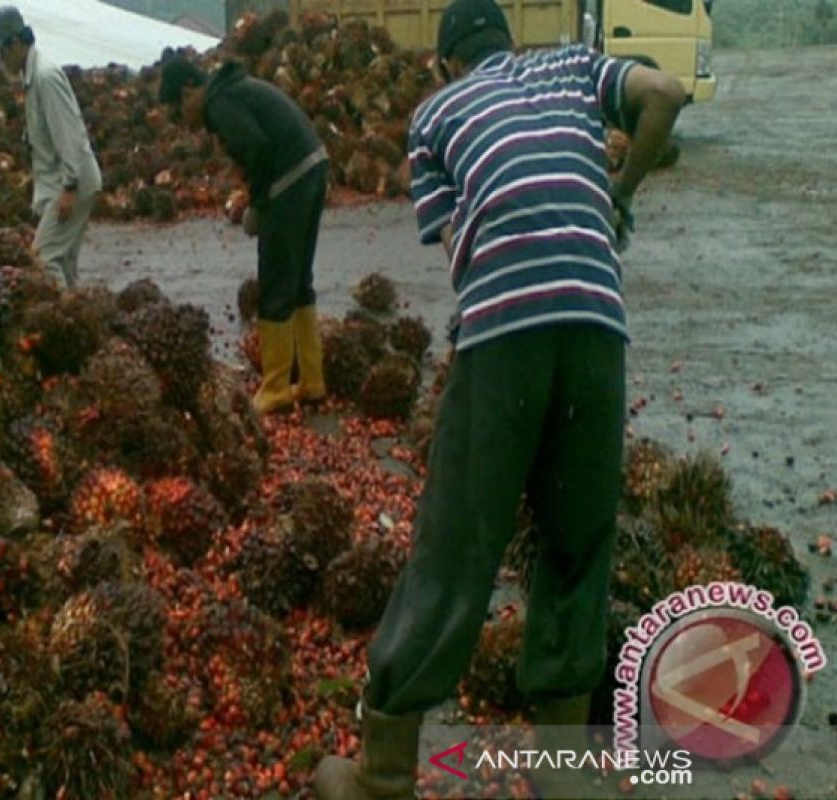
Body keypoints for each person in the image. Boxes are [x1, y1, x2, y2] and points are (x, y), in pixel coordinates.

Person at [313, 0, 685, 797]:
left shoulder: (433, 116)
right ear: (510, 47)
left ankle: (381, 771)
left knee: (455, 545)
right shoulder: (573, 68)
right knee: (577, 542)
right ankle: (567, 776)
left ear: (447, 63)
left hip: (505, 332)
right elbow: (667, 94)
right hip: (596, 323)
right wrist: (617, 195)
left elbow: (461, 250)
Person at [158, 56, 329, 414]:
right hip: (313, 164)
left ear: (189, 92)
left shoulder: (218, 102)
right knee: (299, 280)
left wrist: (260, 204)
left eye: (178, 111)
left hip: (290, 176)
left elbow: (258, 148)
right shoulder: (234, 88)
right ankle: (311, 381)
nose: (183, 122)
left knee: (276, 280)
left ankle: (276, 387)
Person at [0, 6, 102, 288]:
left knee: (44, 259)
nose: (1, 60)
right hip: (62, 182)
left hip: (72, 183)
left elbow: (69, 134)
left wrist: (69, 188)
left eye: (2, 52)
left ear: (15, 44)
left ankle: (59, 321)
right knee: (64, 261)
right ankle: (78, 319)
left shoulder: (45, 77)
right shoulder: (32, 77)